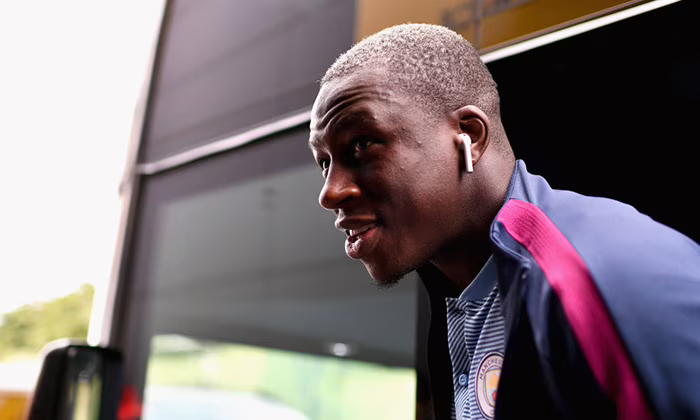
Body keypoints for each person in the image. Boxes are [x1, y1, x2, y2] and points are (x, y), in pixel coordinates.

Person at [307, 23, 700, 420]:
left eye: (362, 144)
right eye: (324, 163)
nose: (329, 193)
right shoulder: (461, 296)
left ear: (470, 136)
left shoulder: (601, 273)